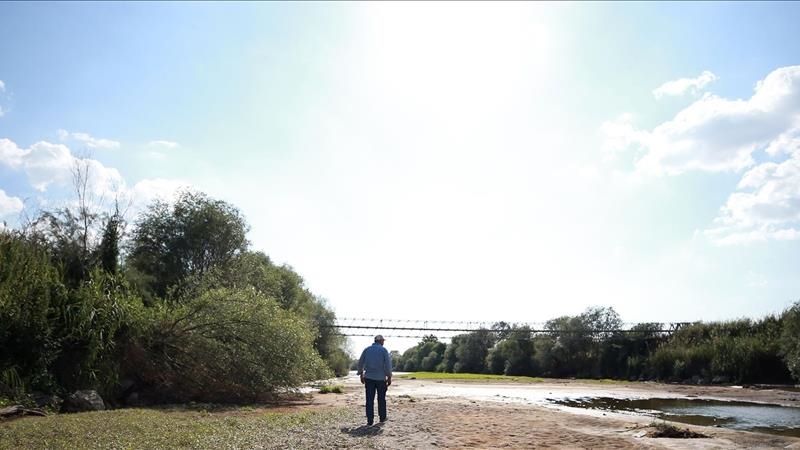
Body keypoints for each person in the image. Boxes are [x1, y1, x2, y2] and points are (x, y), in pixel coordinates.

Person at [356, 334, 393, 426]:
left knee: (369, 399)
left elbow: (360, 363)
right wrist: (389, 377)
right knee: (381, 399)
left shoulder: (367, 350)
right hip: (381, 379)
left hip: (369, 378)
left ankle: (370, 420)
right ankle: (382, 417)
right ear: (380, 341)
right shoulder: (384, 350)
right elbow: (388, 365)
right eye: (383, 341)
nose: (383, 342)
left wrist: (361, 374)